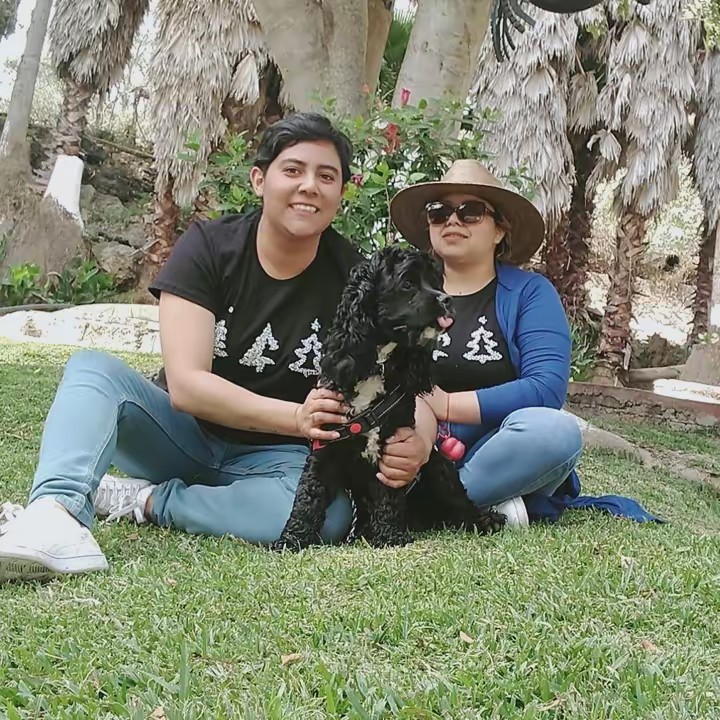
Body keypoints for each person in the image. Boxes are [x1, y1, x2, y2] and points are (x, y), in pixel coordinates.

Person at [0, 112, 438, 582]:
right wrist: (295, 415)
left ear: (341, 192)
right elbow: (187, 386)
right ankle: (55, 515)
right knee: (93, 371)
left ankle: (142, 499)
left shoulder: (358, 278)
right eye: (293, 170)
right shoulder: (209, 247)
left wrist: (421, 442)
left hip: (279, 457)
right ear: (259, 180)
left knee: (326, 519)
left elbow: (414, 381)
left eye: (326, 176)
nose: (309, 186)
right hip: (180, 435)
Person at [390, 159, 660, 527]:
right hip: (415, 440)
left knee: (555, 433)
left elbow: (546, 388)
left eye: (470, 212)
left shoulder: (530, 294)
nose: (452, 220)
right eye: (439, 212)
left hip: (498, 448)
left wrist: (448, 405)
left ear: (499, 231)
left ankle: (432, 508)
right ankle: (474, 504)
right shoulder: (404, 293)